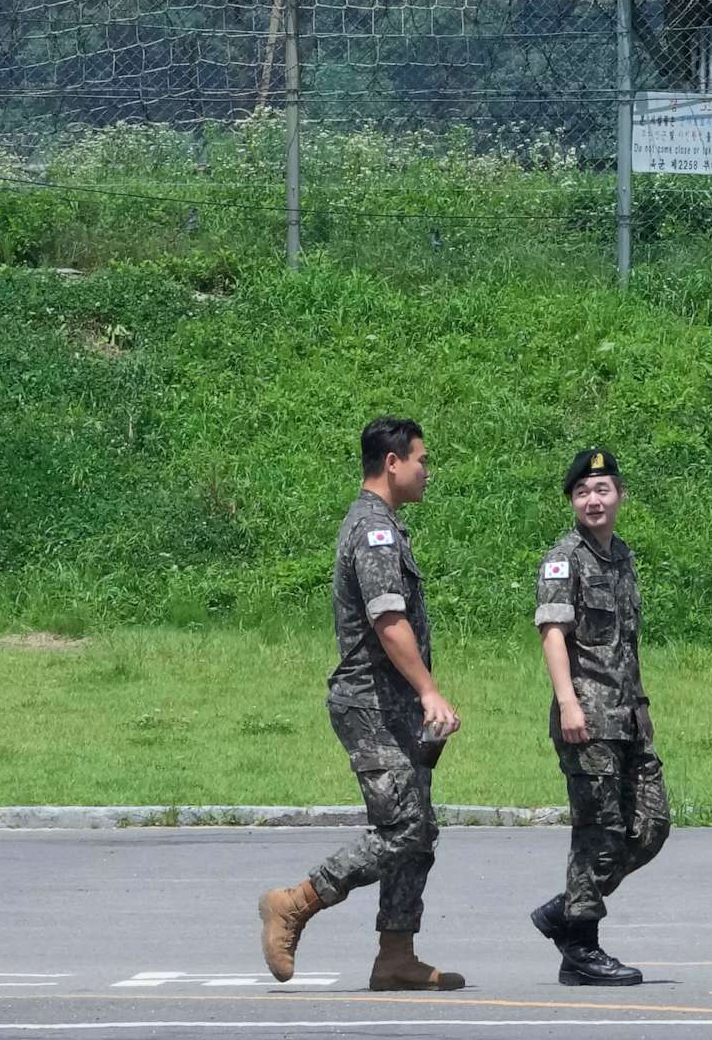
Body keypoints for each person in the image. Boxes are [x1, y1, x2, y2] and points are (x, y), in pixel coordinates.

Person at [257, 416, 465, 993]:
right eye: (421, 459)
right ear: (392, 463)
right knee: (401, 831)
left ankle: (396, 955)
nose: (427, 471)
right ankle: (295, 901)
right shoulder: (374, 531)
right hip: (371, 704)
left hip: (393, 707)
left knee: (417, 833)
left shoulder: (386, 526)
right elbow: (387, 618)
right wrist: (428, 690)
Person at [528, 448, 670, 987]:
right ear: (572, 500)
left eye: (604, 489)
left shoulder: (622, 556)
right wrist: (568, 701)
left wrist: (638, 707)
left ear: (620, 496)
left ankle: (563, 911)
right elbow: (553, 634)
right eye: (584, 492)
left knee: (652, 826)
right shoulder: (564, 558)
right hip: (587, 718)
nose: (594, 499)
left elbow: (625, 646)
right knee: (598, 833)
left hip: (629, 717)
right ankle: (580, 947)